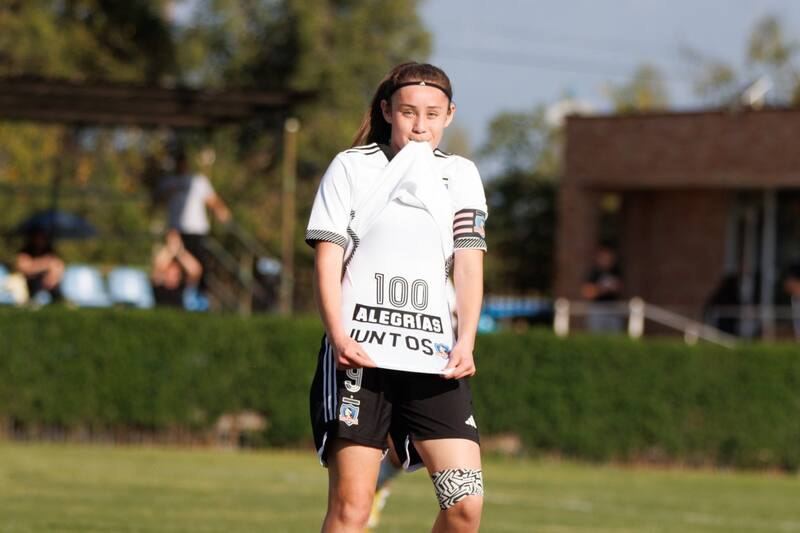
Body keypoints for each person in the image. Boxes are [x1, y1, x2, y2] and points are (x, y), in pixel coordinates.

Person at [307, 62, 486, 532]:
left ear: (449, 115)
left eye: (432, 113)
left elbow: (468, 265)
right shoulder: (352, 167)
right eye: (408, 112)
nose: (420, 125)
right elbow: (328, 258)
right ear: (388, 111)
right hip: (361, 361)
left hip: (434, 362)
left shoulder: (462, 176)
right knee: (353, 508)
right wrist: (338, 335)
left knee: (464, 505)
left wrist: (466, 338)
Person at [159, 150, 231, 287]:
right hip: (176, 230)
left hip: (197, 230)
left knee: (197, 266)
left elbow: (212, 200)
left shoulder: (198, 181)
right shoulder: (169, 182)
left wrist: (222, 211)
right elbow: (159, 200)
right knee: (175, 267)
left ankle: (196, 295)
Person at [151, 230, 204, 309]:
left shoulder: (184, 288)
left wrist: (180, 252)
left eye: (176, 273)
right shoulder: (159, 285)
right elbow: (158, 266)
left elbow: (196, 270)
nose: (173, 275)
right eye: (170, 272)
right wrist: (170, 249)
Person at [581, 243, 624, 332]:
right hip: (598, 309)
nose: (607, 259)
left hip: (613, 308)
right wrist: (601, 289)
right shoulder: (593, 273)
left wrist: (614, 288)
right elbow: (586, 292)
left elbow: (621, 288)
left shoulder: (615, 271)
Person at [15, 229, 64, 303]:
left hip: (49, 281)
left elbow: (59, 266)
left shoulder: (49, 250)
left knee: (55, 286)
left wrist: (53, 278)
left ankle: (59, 301)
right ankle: (32, 301)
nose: (40, 240)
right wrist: (44, 263)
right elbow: (24, 268)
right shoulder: (26, 250)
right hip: (32, 281)